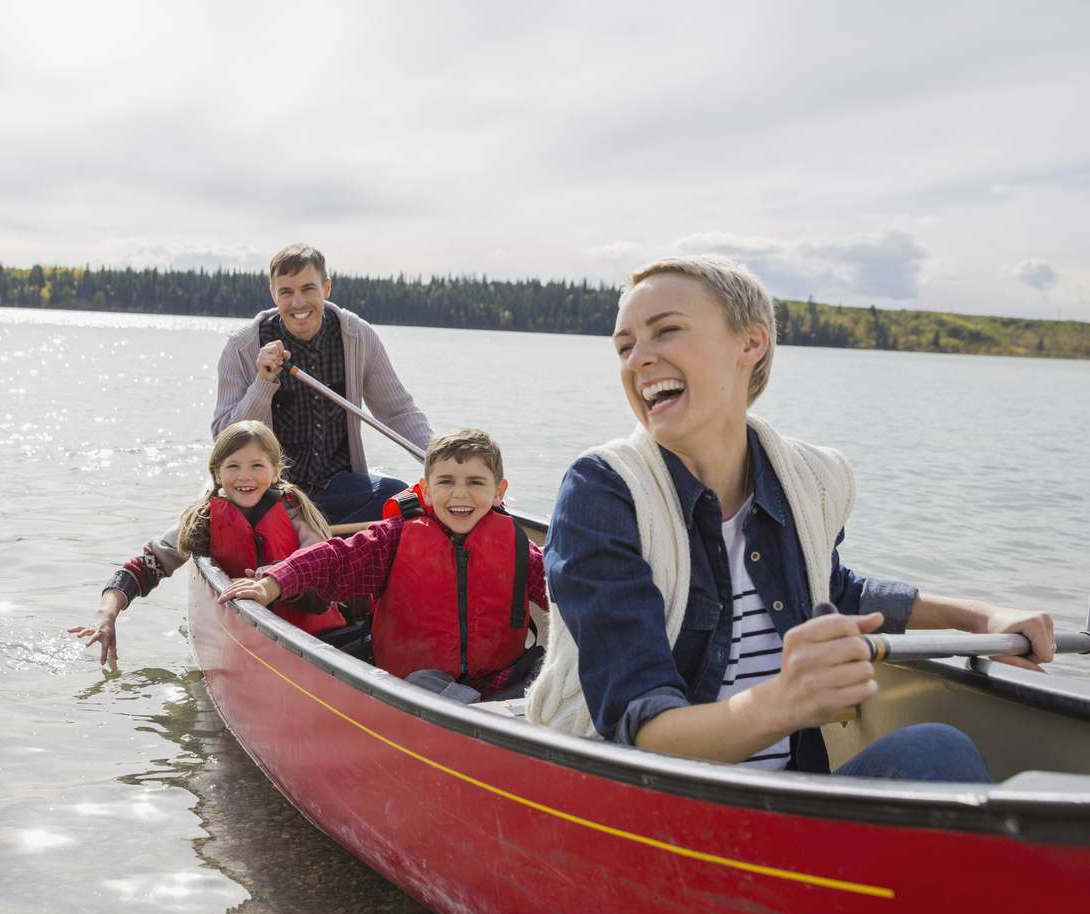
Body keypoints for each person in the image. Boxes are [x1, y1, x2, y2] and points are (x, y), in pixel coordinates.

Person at [525, 254, 1055, 780]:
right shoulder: (603, 492)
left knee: (934, 751)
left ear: (750, 344)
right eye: (624, 346)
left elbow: (831, 586)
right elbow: (644, 727)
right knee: (938, 753)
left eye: (665, 331)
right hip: (642, 805)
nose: (638, 359)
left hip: (784, 800)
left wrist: (981, 619)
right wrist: (785, 701)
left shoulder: (807, 478)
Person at [218, 429, 547, 700]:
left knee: (554, 671)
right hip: (415, 687)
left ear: (499, 492)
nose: (460, 494)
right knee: (426, 683)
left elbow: (568, 591)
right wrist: (271, 582)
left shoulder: (519, 548)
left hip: (501, 684)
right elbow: (331, 558)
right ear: (427, 491)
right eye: (446, 482)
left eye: (475, 483)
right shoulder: (394, 538)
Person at [70, 420, 342, 663]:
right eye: (233, 466)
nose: (244, 476)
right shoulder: (204, 519)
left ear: (275, 471)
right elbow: (143, 567)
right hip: (253, 643)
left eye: (256, 465)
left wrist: (272, 581)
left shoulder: (295, 513)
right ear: (217, 473)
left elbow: (318, 561)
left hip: (315, 638)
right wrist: (107, 615)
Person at [213, 243, 433, 524]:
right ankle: (315, 541)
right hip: (272, 492)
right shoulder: (241, 346)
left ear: (326, 288)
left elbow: (398, 412)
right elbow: (223, 440)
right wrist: (263, 384)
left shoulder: (357, 337)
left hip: (338, 488)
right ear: (273, 294)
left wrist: (439, 463)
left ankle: (318, 542)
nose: (298, 303)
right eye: (286, 292)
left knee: (401, 498)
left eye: (308, 289)